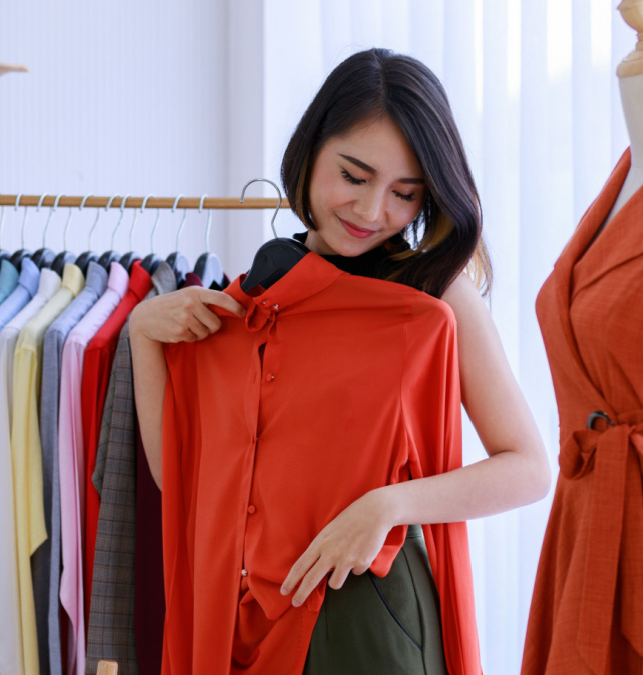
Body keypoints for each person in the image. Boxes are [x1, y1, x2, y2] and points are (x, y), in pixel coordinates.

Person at [128, 48, 550, 673]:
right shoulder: (249, 301)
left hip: (365, 613)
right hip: (241, 619)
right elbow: (184, 485)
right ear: (311, 151)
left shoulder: (433, 298)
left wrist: (387, 506)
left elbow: (529, 469)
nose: (373, 211)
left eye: (405, 193)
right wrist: (142, 335)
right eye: (353, 176)